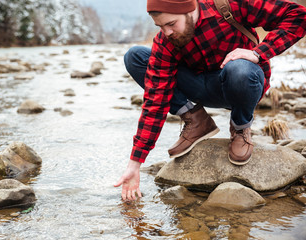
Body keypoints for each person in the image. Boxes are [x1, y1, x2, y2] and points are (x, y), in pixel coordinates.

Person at [114, 0, 306, 201]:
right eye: (160, 26)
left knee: (239, 69)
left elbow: (298, 16)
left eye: (171, 24)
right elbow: (155, 102)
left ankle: (240, 126)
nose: (167, 32)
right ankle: (196, 120)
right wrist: (135, 164)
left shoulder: (230, 5)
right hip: (199, 87)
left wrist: (258, 53)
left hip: (241, 83)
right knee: (136, 56)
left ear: (189, 9)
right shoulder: (166, 41)